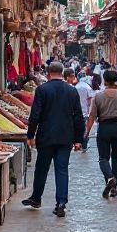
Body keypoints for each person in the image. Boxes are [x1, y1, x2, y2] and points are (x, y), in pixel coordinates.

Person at [23, 61, 84, 217]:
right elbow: (78, 116)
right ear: (62, 72)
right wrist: (78, 139)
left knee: (41, 168)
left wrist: (30, 135)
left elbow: (35, 115)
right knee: (62, 169)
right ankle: (61, 202)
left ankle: (36, 197)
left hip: (46, 136)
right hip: (66, 137)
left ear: (49, 73)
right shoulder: (72, 91)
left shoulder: (42, 90)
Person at [85, 68, 117, 199]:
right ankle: (114, 188)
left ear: (104, 81)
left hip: (104, 128)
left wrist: (86, 132)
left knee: (103, 158)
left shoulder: (98, 96)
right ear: (116, 80)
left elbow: (92, 116)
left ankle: (109, 177)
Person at [67, 69, 95, 152]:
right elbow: (90, 101)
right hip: (85, 111)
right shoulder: (87, 87)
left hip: (76, 111)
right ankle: (84, 145)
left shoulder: (75, 87)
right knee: (85, 129)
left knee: (77, 128)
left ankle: (77, 143)